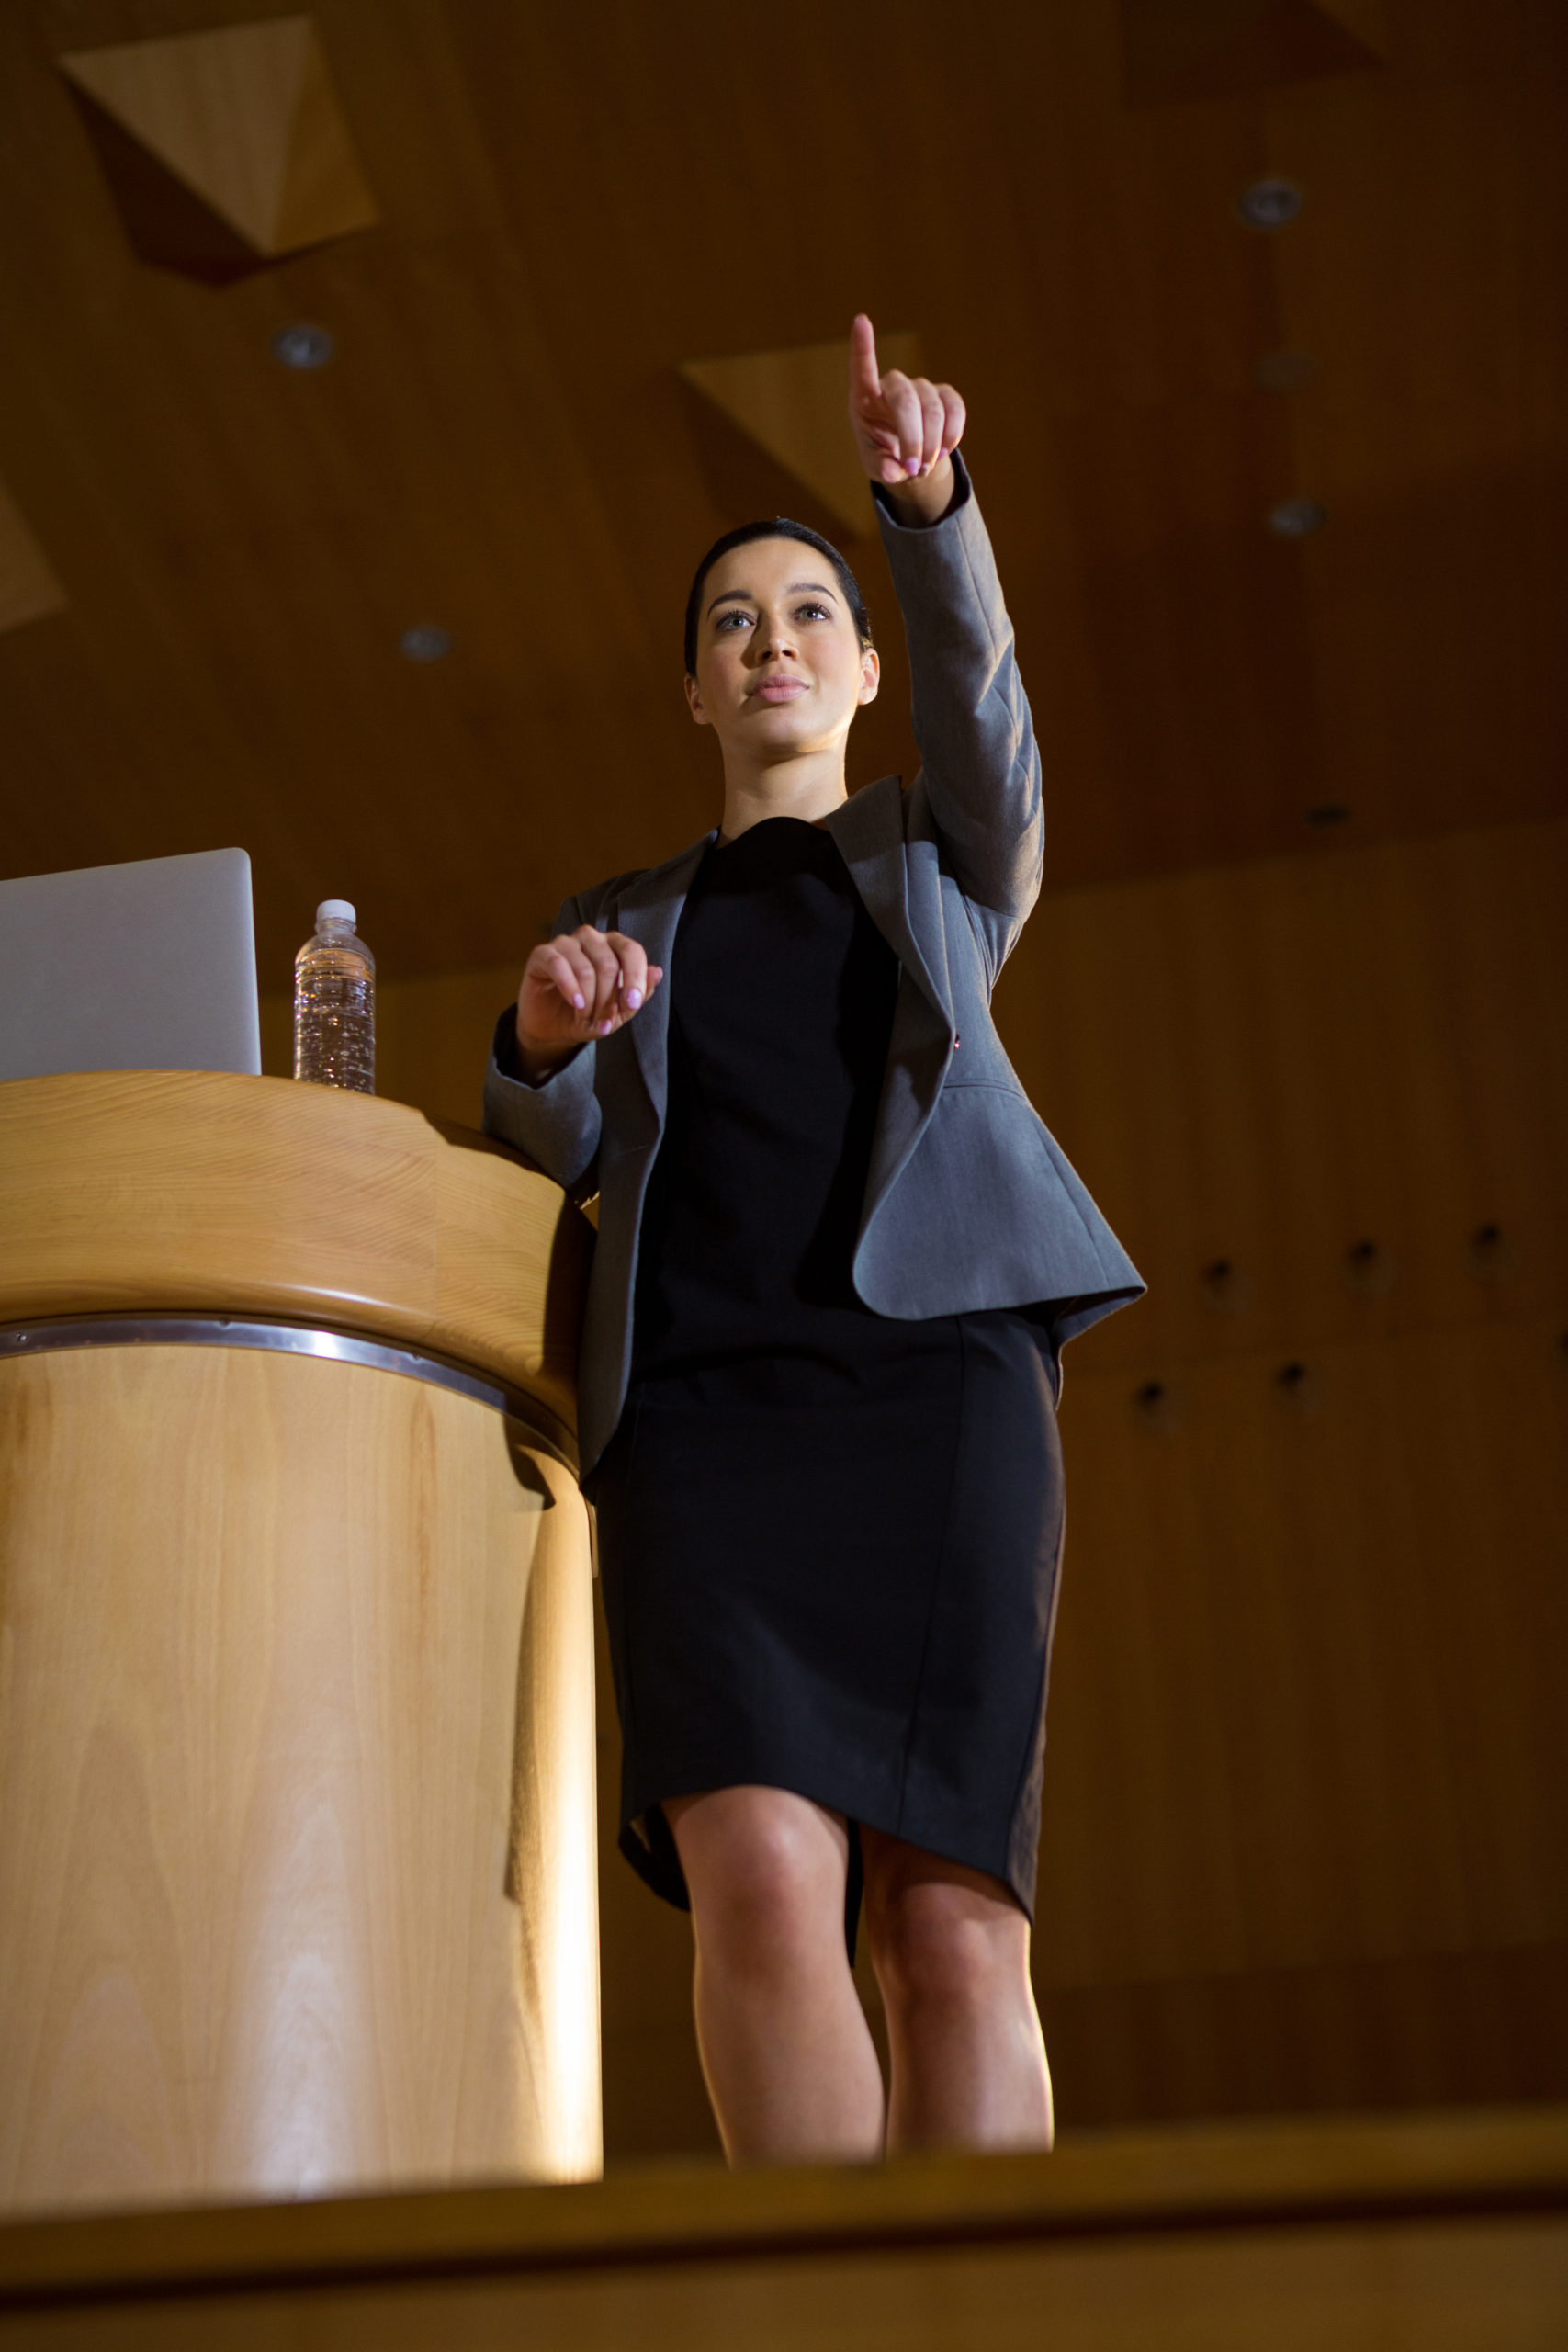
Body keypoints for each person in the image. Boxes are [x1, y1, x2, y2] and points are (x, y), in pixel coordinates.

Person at [484, 316, 1143, 2165]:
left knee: (944, 1923)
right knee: (760, 1879)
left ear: (858, 671)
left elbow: (997, 741)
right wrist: (537, 1042)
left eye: (802, 614)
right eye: (727, 622)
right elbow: (543, 1156)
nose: (765, 639)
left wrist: (922, 509)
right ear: (691, 690)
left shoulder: (938, 860)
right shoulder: (607, 924)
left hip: (935, 1400)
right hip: (698, 1425)